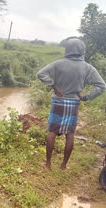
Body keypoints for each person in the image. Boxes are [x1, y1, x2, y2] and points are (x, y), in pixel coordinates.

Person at [37, 38, 106, 170]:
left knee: (52, 132)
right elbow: (101, 86)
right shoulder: (87, 67)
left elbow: (41, 74)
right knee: (70, 134)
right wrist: (85, 97)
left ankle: (48, 164)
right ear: (82, 51)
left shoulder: (58, 64)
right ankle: (63, 165)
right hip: (73, 102)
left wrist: (53, 86)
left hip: (58, 101)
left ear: (67, 49)